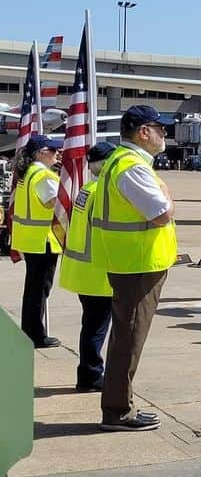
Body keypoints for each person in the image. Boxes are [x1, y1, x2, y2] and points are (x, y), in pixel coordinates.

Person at [93, 105, 178, 432]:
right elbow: (161, 212)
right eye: (161, 128)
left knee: (126, 335)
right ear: (144, 131)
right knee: (129, 337)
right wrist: (168, 197)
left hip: (133, 262)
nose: (164, 134)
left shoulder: (122, 162)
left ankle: (119, 406)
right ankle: (117, 411)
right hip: (138, 265)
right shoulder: (132, 167)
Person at [57, 141, 117, 392]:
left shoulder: (87, 189)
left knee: (91, 326)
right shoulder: (102, 192)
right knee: (96, 329)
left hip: (83, 270)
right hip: (97, 273)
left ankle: (89, 373)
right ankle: (91, 376)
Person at [11, 134, 64, 348]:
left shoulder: (27, 174)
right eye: (53, 150)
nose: (57, 153)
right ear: (41, 153)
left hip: (31, 240)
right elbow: (57, 204)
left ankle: (29, 331)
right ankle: (36, 334)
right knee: (39, 291)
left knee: (33, 290)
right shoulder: (43, 176)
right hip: (44, 241)